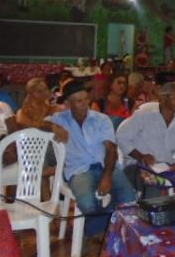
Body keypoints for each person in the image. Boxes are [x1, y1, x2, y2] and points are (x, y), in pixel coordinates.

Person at [48, 80, 137, 242]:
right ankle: (104, 231)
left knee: (129, 199)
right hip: (79, 170)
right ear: (68, 104)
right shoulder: (59, 120)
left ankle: (103, 229)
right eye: (78, 101)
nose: (84, 104)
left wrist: (107, 176)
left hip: (105, 166)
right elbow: (27, 122)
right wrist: (52, 127)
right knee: (88, 204)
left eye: (85, 99)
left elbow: (111, 150)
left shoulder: (101, 119)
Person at [117, 82, 175, 199]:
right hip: (139, 166)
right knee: (153, 181)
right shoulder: (144, 115)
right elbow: (121, 137)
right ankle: (154, 215)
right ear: (162, 98)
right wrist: (141, 156)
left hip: (166, 166)